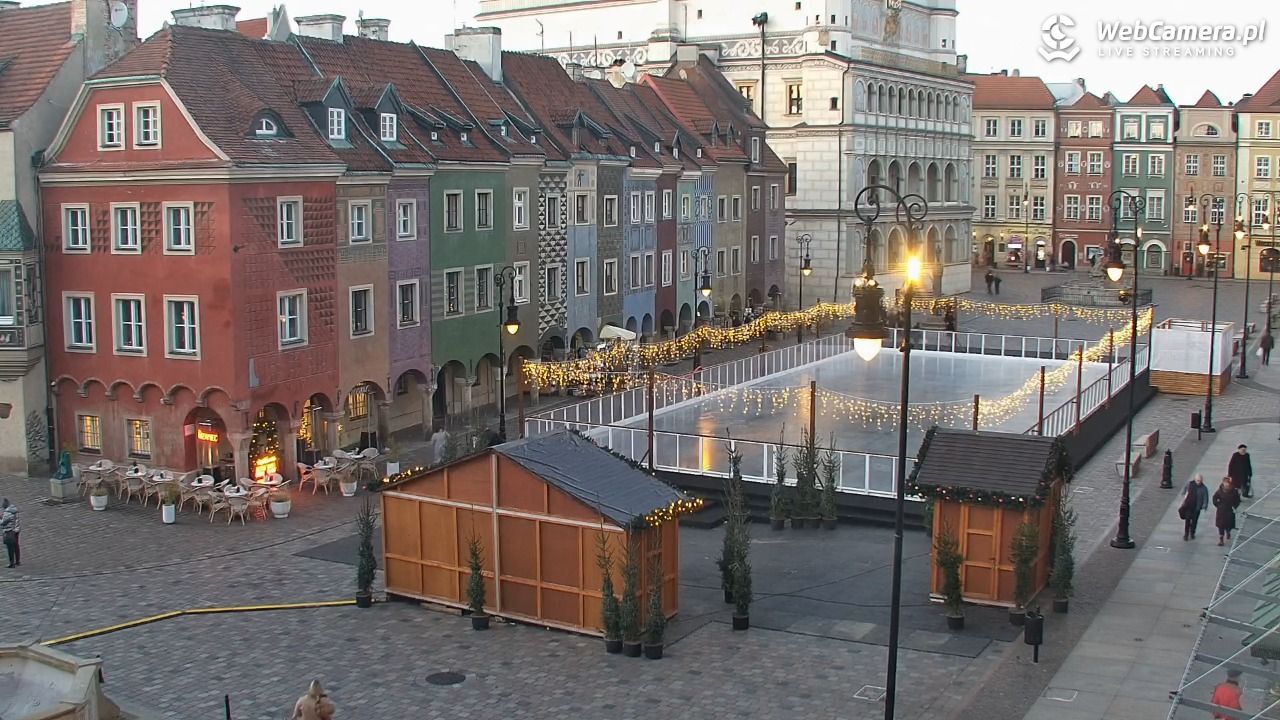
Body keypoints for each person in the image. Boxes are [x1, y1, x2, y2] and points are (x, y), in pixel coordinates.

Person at [1212, 477, 1241, 546]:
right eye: (1225, 483)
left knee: (1229, 525)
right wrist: (1218, 505)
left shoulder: (1234, 491)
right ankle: (1221, 539)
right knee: (1220, 525)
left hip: (1229, 510)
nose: (1226, 485)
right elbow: (1214, 498)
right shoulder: (1219, 491)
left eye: (1227, 484)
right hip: (1221, 511)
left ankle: (1228, 532)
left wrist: (1235, 506)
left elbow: (1237, 500)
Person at [1180, 474, 1210, 540]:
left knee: (1194, 521)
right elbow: (1185, 489)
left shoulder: (1204, 488)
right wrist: (1183, 494)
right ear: (1195, 479)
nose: (1198, 482)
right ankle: (1186, 534)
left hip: (1197, 507)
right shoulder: (1190, 484)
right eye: (1197, 480)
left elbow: (1205, 497)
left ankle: (1192, 532)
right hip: (1188, 505)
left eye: (1199, 481)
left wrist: (1204, 505)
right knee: (1187, 520)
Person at [1, 498, 18, 568]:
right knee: (11, 548)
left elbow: (2, 523)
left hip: (8, 532)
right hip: (12, 531)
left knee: (10, 549)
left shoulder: (7, 513)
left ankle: (12, 563)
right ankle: (12, 563)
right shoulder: (12, 512)